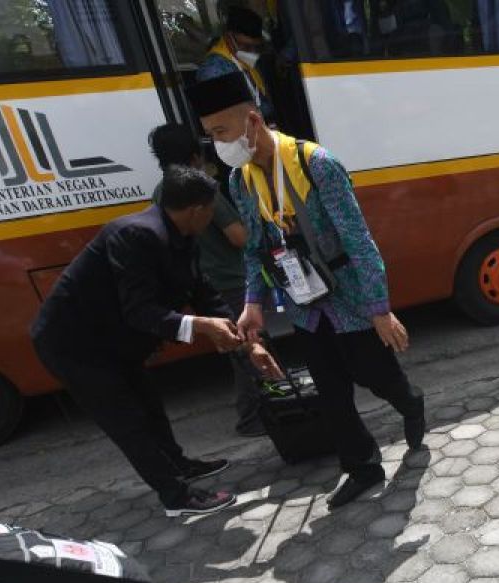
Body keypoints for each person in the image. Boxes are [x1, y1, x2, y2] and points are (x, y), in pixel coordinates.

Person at [187, 72, 426, 510]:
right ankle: (363, 467)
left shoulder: (318, 165)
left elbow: (359, 240)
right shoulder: (241, 181)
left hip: (351, 301)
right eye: (210, 135)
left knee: (381, 379)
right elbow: (255, 247)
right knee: (332, 396)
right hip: (305, 305)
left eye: (221, 131)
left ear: (253, 122)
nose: (217, 144)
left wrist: (379, 309)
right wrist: (253, 304)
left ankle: (412, 406)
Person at [30, 167, 281, 517]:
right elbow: (140, 311)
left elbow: (204, 293)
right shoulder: (135, 234)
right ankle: (175, 497)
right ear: (197, 210)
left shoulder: (183, 236)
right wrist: (203, 326)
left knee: (150, 405)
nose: (214, 218)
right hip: (75, 344)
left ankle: (179, 464)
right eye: (212, 210)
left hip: (115, 339)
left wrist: (248, 342)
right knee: (128, 420)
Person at [148, 124, 265, 438]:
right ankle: (253, 415)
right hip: (229, 279)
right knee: (247, 346)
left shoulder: (162, 191)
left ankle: (261, 406)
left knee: (235, 346)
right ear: (195, 155)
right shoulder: (203, 187)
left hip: (200, 281)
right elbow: (238, 237)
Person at [197, 6, 274, 122]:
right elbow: (226, 118)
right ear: (229, 37)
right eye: (246, 46)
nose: (252, 52)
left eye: (256, 47)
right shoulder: (213, 71)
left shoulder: (245, 59)